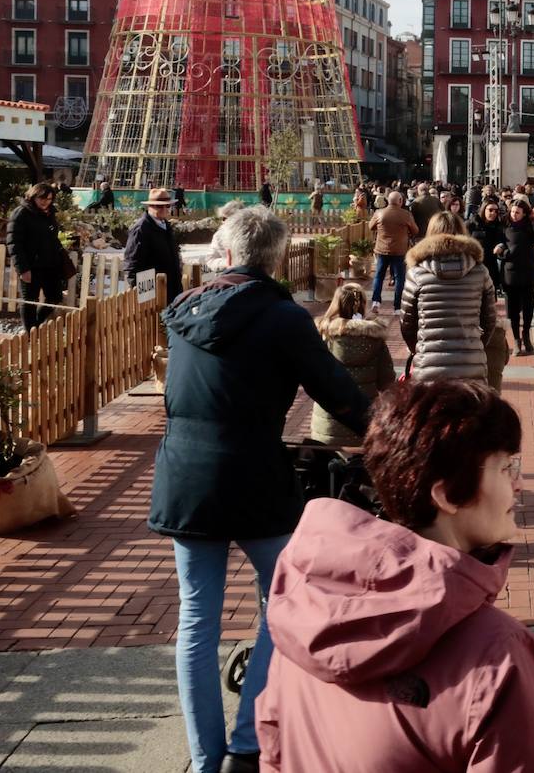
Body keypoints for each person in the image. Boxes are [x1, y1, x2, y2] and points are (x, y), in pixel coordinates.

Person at [150, 206, 370, 773]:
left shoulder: (183, 311)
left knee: (197, 619)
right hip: (252, 475)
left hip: (185, 479)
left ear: (224, 254)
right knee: (284, 601)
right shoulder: (282, 317)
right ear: (275, 259)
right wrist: (388, 432)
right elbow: (338, 393)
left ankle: (204, 758)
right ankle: (246, 743)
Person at [256, 380, 534, 773]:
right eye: (507, 467)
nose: (519, 483)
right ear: (448, 494)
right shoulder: (500, 658)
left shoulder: (306, 599)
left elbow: (272, 740)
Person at [400, 212, 496, 382]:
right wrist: (476, 344)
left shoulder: (417, 273)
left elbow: (407, 322)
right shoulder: (480, 271)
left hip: (429, 363)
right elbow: (489, 320)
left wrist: (418, 348)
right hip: (470, 362)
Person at [310, 283, 394, 446]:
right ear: (362, 304)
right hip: (363, 423)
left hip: (328, 425)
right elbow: (387, 383)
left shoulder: (324, 337)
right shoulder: (375, 339)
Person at [7, 182, 70, 331]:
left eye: (49, 199)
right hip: (31, 265)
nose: (45, 202)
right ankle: (30, 333)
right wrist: (22, 268)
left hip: (50, 264)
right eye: (42, 198)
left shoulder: (50, 213)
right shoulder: (21, 213)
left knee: (55, 297)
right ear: (33, 196)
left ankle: (36, 324)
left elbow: (52, 237)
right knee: (29, 300)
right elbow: (14, 243)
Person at [123, 188, 184, 305]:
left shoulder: (165, 225)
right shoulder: (141, 229)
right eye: (160, 206)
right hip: (153, 294)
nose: (165, 209)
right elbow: (132, 264)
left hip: (172, 289)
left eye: (168, 206)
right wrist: (142, 294)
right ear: (150, 207)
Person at [501, 200, 534, 355]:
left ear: (524, 213)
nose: (514, 215)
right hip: (510, 274)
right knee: (512, 311)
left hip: (527, 273)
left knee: (528, 309)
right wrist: (505, 253)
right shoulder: (505, 225)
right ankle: (517, 341)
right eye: (512, 211)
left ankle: (526, 335)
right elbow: (499, 245)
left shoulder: (529, 226)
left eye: (517, 212)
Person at [367, 190, 417, 314]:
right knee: (400, 278)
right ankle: (397, 307)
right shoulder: (406, 214)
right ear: (400, 201)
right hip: (399, 251)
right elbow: (415, 230)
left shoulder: (379, 213)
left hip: (382, 249)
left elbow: (370, 227)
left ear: (388, 201)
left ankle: (376, 301)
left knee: (379, 276)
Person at [467, 198, 507, 296]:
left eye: (496, 211)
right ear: (483, 209)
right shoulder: (471, 224)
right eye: (490, 210)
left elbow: (503, 241)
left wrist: (501, 246)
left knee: (490, 300)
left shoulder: (498, 226)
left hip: (491, 265)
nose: (493, 213)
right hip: (474, 265)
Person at [205, 200, 246, 273]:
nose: (224, 221)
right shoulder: (219, 236)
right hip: (226, 276)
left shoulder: (251, 234)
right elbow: (210, 260)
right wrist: (227, 262)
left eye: (227, 218)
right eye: (223, 218)